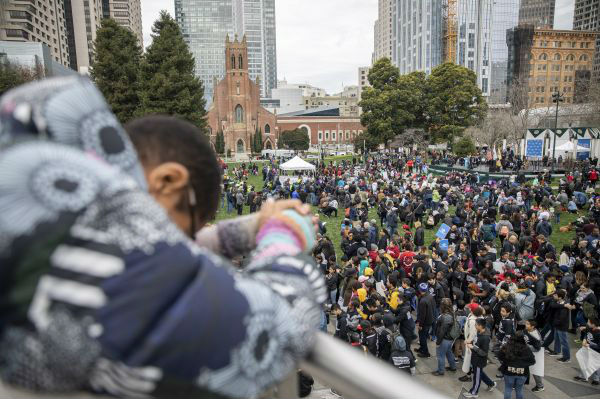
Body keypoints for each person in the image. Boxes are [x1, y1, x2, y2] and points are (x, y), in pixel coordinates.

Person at [0, 77, 326, 399]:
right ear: (169, 181)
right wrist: (283, 233)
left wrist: (249, 230)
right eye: (185, 229)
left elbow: (150, 250)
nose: (179, 244)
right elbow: (277, 324)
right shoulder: (96, 232)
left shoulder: (44, 173)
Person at [463, 319, 496, 398]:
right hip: (475, 358)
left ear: (480, 326)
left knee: (477, 377)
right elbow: (476, 342)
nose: (475, 326)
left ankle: (474, 392)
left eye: (476, 325)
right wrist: (469, 342)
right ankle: (491, 384)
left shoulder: (485, 338)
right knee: (479, 373)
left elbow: (484, 352)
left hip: (479, 361)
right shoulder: (480, 332)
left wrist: (473, 347)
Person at [497, 331, 536, 399]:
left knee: (508, 389)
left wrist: (507, 362)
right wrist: (522, 364)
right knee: (519, 390)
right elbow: (532, 361)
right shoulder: (526, 348)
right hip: (522, 373)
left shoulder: (506, 347)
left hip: (508, 372)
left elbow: (500, 356)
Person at [433, 298, 457, 376]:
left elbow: (442, 331)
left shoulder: (446, 317)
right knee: (449, 352)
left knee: (440, 355)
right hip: (450, 338)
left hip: (445, 339)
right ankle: (453, 367)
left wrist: (438, 342)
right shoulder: (451, 313)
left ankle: (440, 371)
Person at [574, 317, 600, 385]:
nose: (587, 323)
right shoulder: (589, 328)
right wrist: (585, 340)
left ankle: (596, 379)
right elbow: (586, 334)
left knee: (595, 365)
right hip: (588, 349)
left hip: (596, 352)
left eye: (588, 322)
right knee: (584, 361)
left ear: (593, 324)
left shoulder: (598, 333)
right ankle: (583, 376)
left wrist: (589, 345)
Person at [524, 320, 545, 392]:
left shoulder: (535, 336)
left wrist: (526, 347)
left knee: (536, 371)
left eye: (527, 324)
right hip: (528, 353)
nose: (525, 325)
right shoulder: (528, 330)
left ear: (532, 326)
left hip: (535, 355)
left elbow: (537, 348)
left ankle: (540, 386)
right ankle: (521, 382)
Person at [416, 282, 435, 358]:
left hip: (425, 322)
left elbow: (422, 315)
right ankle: (421, 349)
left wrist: (420, 325)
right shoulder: (430, 296)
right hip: (430, 319)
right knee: (423, 335)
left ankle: (426, 353)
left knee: (422, 337)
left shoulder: (423, 301)